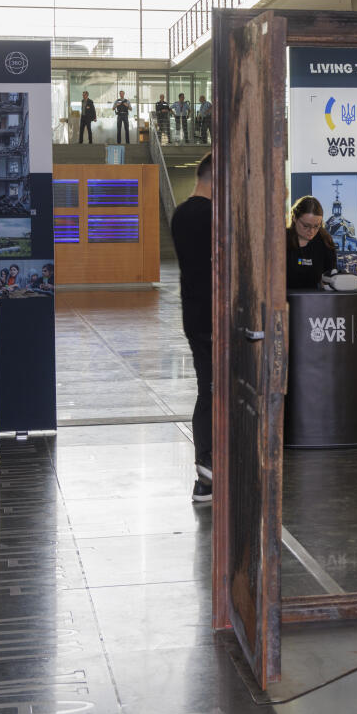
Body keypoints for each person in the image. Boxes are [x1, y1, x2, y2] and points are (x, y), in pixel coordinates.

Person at [171, 153, 214, 503]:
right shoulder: (214, 217)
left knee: (208, 389)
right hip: (218, 319)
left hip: (196, 317)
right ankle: (211, 468)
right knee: (217, 393)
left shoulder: (181, 214)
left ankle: (207, 472)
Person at [287, 196, 337, 289]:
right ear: (294, 218)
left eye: (316, 226)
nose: (312, 231)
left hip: (314, 300)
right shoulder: (280, 241)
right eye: (306, 226)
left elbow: (329, 278)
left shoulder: (325, 242)